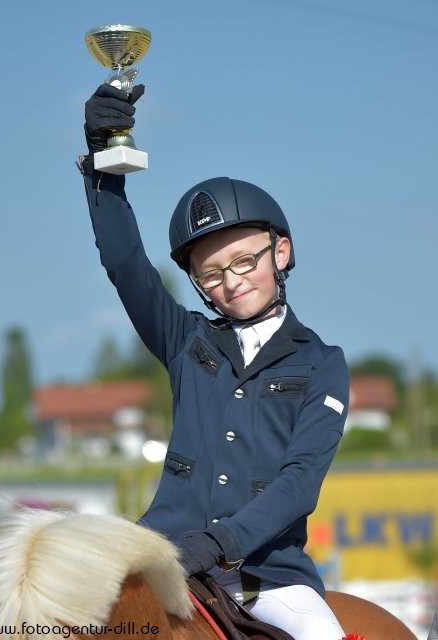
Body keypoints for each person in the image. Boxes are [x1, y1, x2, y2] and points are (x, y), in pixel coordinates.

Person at [79, 83, 350, 640]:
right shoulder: (186, 342)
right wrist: (104, 165)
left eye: (245, 259)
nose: (232, 280)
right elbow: (126, 264)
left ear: (281, 252)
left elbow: (299, 483)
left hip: (269, 582)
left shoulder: (323, 363)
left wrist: (220, 544)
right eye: (210, 273)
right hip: (163, 561)